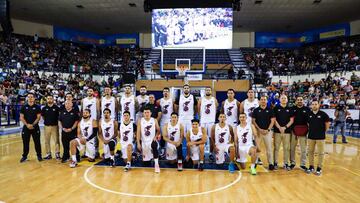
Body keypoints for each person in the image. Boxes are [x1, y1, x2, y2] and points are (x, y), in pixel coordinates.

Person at [306, 100, 330, 176]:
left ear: (318, 105)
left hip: (320, 137)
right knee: (310, 152)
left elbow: (327, 124)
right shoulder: (309, 114)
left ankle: (319, 168)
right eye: (313, 104)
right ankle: (311, 166)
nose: (314, 105)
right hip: (311, 136)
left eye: (315, 104)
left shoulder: (323, 114)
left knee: (321, 153)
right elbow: (308, 124)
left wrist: (323, 132)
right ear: (311, 106)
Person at [252, 96, 275, 170]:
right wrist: (259, 129)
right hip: (258, 132)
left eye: (264, 100)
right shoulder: (256, 110)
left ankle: (271, 163)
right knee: (257, 148)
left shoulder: (270, 110)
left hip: (268, 132)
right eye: (261, 100)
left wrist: (268, 129)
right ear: (259, 101)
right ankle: (255, 162)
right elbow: (253, 121)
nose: (263, 101)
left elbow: (272, 121)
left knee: (269, 148)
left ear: (267, 101)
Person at [136, 107, 161, 173]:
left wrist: (156, 136)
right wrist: (138, 143)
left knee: (154, 144)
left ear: (151, 113)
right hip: (144, 142)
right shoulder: (140, 120)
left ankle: (156, 164)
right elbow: (138, 133)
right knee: (146, 164)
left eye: (148, 112)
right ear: (143, 113)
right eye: (145, 112)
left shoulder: (154, 120)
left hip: (152, 141)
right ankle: (150, 158)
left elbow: (158, 130)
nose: (147, 114)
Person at [19, 93, 42, 163]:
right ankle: (24, 156)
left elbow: (38, 117)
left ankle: (39, 155)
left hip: (35, 127)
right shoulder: (23, 107)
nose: (30, 98)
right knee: (25, 142)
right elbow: (21, 117)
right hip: (26, 127)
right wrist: (27, 125)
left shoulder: (37, 107)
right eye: (29, 97)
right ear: (27, 98)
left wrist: (32, 124)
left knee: (37, 142)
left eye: (31, 97)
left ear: (34, 98)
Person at [273, 94, 294, 170]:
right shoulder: (276, 108)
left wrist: (284, 127)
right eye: (282, 98)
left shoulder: (290, 109)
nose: (284, 99)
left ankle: (286, 163)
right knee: (276, 148)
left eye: (285, 98)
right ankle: (275, 163)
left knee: (286, 148)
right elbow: (274, 119)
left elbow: (292, 120)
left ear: (287, 100)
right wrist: (279, 127)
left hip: (287, 131)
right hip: (277, 131)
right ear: (279, 99)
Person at [290, 96, 310, 171]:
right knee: (292, 148)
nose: (299, 101)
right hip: (294, 131)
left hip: (304, 131)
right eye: (298, 100)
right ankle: (292, 163)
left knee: (303, 149)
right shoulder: (292, 109)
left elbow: (309, 121)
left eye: (301, 100)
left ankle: (303, 164)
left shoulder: (307, 109)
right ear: (296, 101)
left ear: (303, 101)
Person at [198, 87, 218, 152]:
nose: (208, 91)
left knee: (211, 138)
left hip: (211, 121)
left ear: (211, 91)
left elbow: (216, 108)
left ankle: (211, 153)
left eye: (209, 90)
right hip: (203, 121)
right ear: (205, 91)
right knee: (202, 138)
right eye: (206, 90)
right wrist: (200, 118)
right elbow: (198, 109)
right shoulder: (201, 99)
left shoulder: (214, 99)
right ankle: (201, 153)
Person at [41, 94, 60, 160]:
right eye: (48, 98)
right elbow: (43, 117)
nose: (49, 100)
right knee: (47, 141)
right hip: (47, 126)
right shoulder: (44, 108)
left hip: (55, 126)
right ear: (46, 100)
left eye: (51, 98)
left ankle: (57, 153)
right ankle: (48, 154)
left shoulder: (57, 108)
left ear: (53, 99)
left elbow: (59, 117)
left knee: (56, 141)